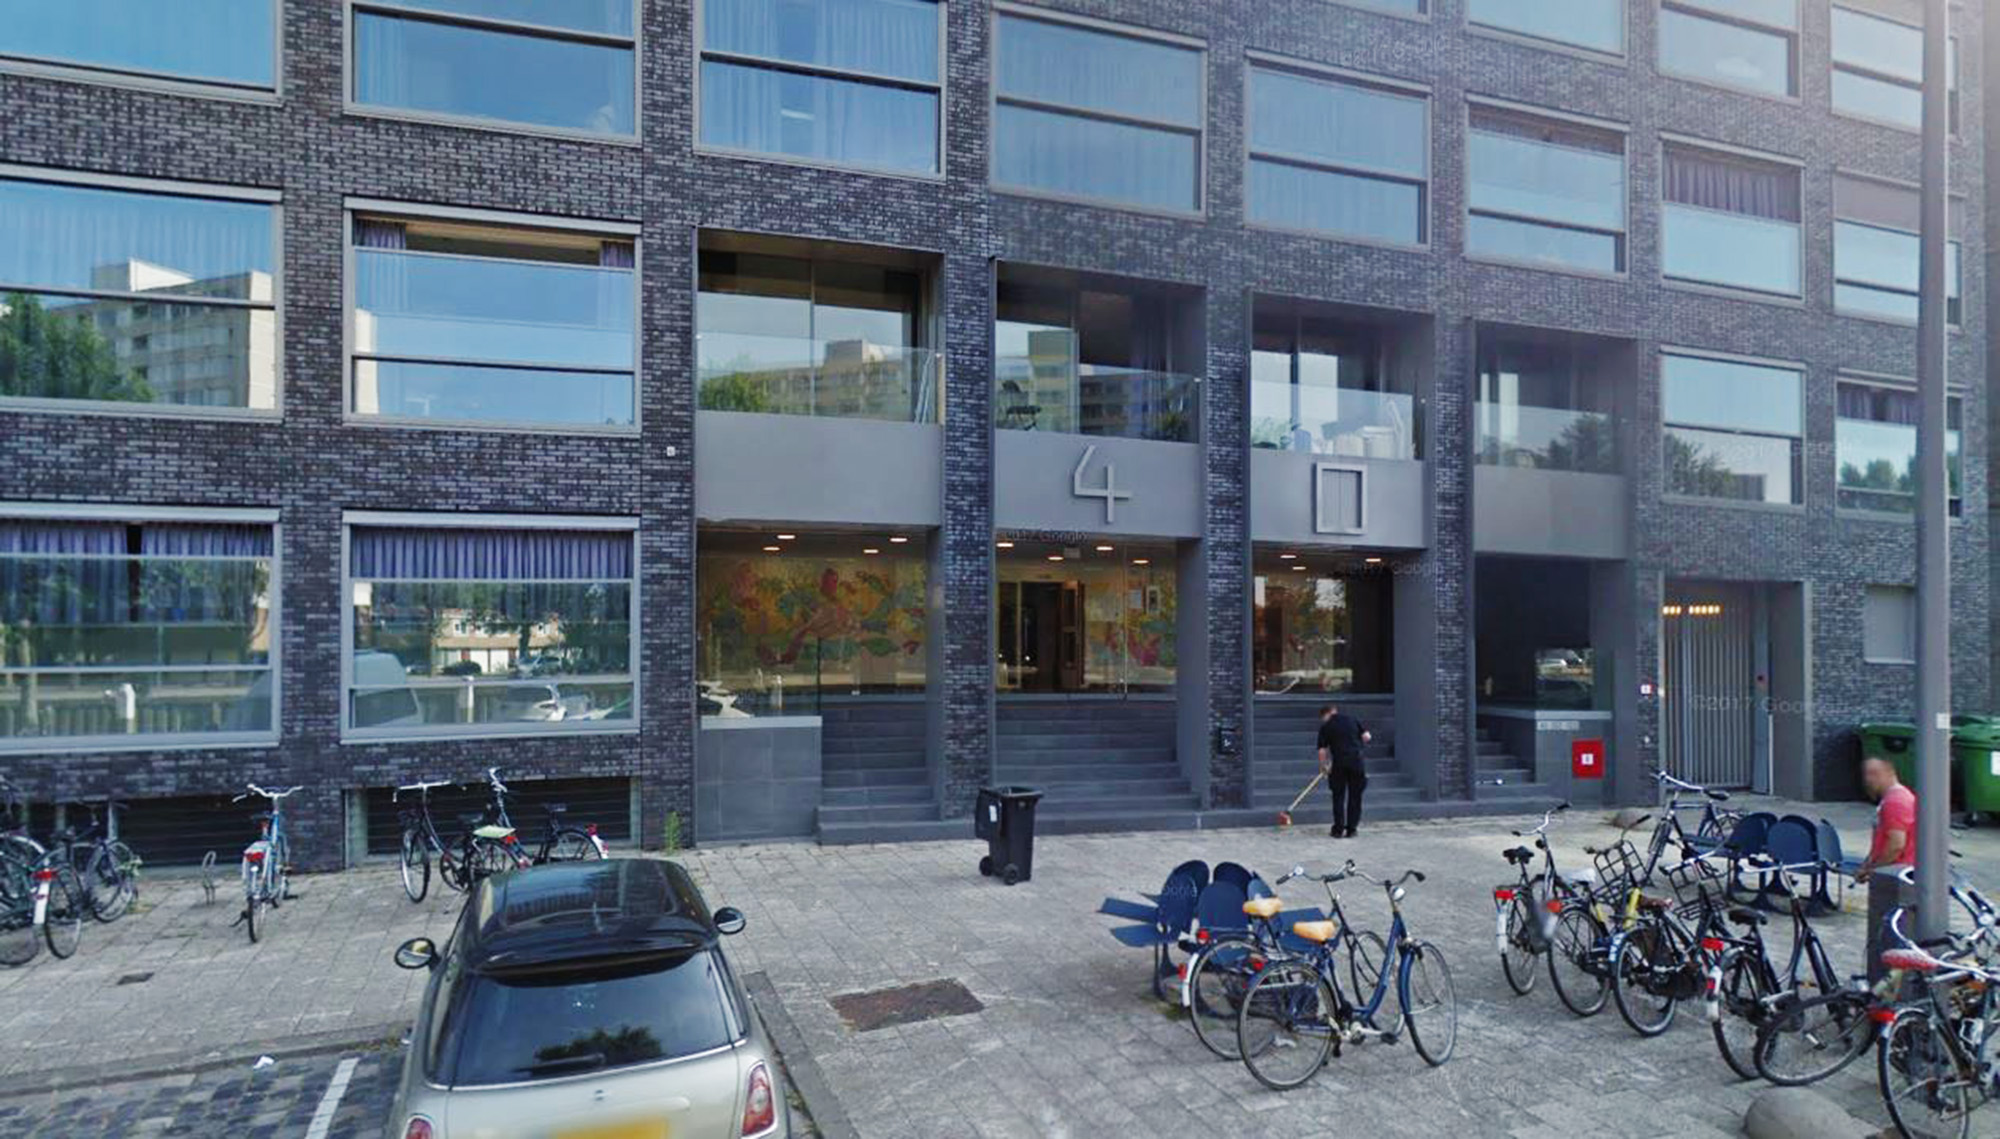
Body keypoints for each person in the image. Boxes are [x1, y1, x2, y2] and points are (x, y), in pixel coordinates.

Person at [1855, 755, 1918, 983]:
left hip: (1894, 879)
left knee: (1887, 934)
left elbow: (1896, 844)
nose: (1868, 780)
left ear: (1890, 772)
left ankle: (1886, 984)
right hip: (1896, 875)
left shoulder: (1895, 802)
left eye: (1874, 774)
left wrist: (1872, 869)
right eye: (1866, 774)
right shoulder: (1897, 798)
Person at [1317, 703, 1371, 838]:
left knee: (1338, 796)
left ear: (1326, 714)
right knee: (1355, 797)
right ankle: (1352, 829)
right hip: (1356, 762)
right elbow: (1367, 737)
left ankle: (1338, 830)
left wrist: (1323, 766)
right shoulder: (1352, 719)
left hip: (1339, 763)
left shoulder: (1326, 726)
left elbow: (1322, 750)